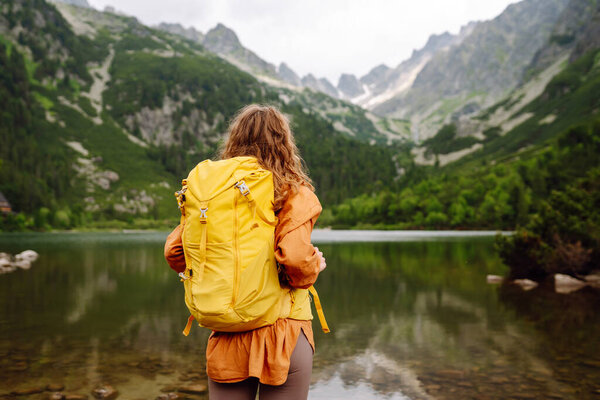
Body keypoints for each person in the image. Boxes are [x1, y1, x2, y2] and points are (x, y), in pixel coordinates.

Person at [164, 104, 327, 400]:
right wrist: (315, 264)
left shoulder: (213, 195)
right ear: (284, 144)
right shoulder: (294, 192)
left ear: (234, 141)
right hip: (284, 333)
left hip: (228, 334)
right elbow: (294, 258)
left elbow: (175, 252)